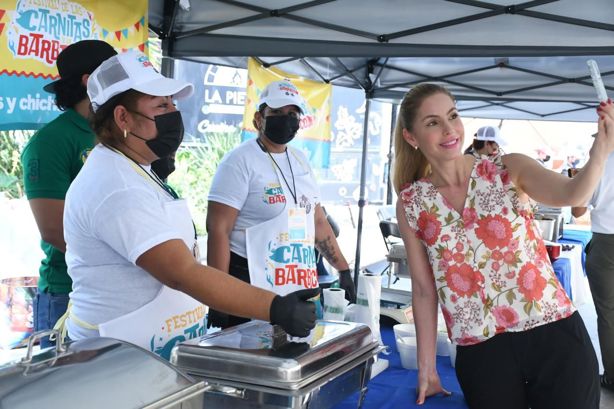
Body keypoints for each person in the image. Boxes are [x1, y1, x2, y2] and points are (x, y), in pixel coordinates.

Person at [60, 51, 317, 359]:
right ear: (123, 118)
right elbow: (182, 271)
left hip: (147, 355)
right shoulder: (115, 186)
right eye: (162, 105)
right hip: (113, 361)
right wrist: (275, 307)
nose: (174, 114)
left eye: (173, 104)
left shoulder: (135, 168)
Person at [392, 83, 613, 408]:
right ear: (411, 137)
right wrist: (426, 368)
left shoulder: (508, 169)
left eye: (452, 115)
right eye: (432, 122)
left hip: (552, 335)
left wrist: (601, 150)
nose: (449, 129)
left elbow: (573, 195)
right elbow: (425, 291)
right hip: (481, 351)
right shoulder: (413, 201)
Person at [206, 80, 356, 330]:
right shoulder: (239, 162)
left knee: (294, 356)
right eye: (276, 113)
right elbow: (218, 230)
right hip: (248, 282)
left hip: (295, 280)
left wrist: (343, 270)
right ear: (258, 118)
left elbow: (317, 221)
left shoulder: (300, 160)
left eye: (292, 114)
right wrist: (218, 296)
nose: (286, 119)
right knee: (250, 357)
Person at [20, 40, 117, 348]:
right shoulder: (52, 141)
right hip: (69, 293)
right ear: (90, 81)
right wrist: (124, 264)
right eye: (116, 74)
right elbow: (53, 229)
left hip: (121, 289)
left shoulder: (120, 132)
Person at [571, 151, 614, 393]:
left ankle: (612, 376)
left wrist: (579, 181)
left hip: (606, 243)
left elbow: (577, 210)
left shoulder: (598, 163)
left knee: (609, 315)